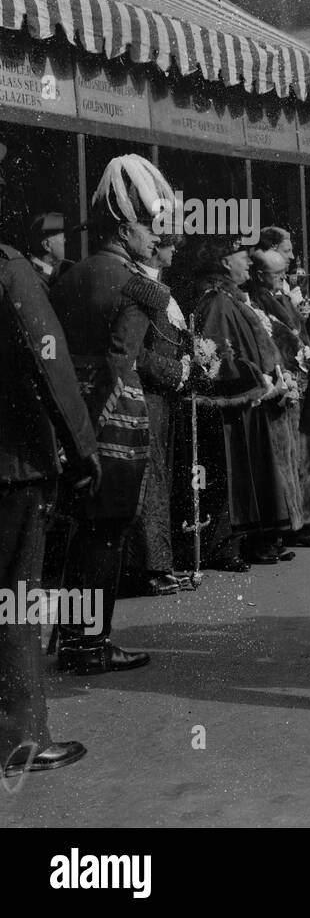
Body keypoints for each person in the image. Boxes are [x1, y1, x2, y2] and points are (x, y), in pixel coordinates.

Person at [48, 155, 172, 675]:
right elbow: (122, 365)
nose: (158, 236)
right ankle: (91, 644)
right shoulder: (140, 287)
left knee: (78, 534)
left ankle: (70, 634)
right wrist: (93, 441)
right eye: (150, 225)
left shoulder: (69, 277)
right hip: (113, 426)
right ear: (125, 228)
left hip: (66, 420)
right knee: (108, 534)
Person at [1, 241, 99, 776]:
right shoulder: (10, 270)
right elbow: (50, 363)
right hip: (12, 465)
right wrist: (83, 447)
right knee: (15, 601)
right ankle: (22, 740)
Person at [176, 234, 299, 573]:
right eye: (242, 256)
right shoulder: (216, 301)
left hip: (254, 399)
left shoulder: (231, 298)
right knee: (233, 474)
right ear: (225, 262)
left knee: (251, 472)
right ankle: (226, 546)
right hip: (236, 405)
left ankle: (254, 539)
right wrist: (260, 380)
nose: (248, 261)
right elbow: (214, 358)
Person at [122, 233, 195, 597]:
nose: (174, 251)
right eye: (170, 245)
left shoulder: (159, 288)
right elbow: (135, 351)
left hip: (162, 398)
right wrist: (176, 371)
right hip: (146, 395)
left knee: (160, 477)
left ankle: (161, 562)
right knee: (148, 478)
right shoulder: (139, 286)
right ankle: (149, 567)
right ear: (155, 248)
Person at [246, 246, 310, 549]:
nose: (283, 279)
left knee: (305, 458)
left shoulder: (280, 297)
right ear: (259, 274)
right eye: (276, 274)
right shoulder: (256, 301)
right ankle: (293, 523)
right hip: (285, 384)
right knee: (290, 458)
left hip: (300, 383)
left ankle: (305, 522)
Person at [25, 210, 79, 292]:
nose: (66, 240)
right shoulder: (33, 279)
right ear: (47, 245)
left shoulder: (35, 272)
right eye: (63, 236)